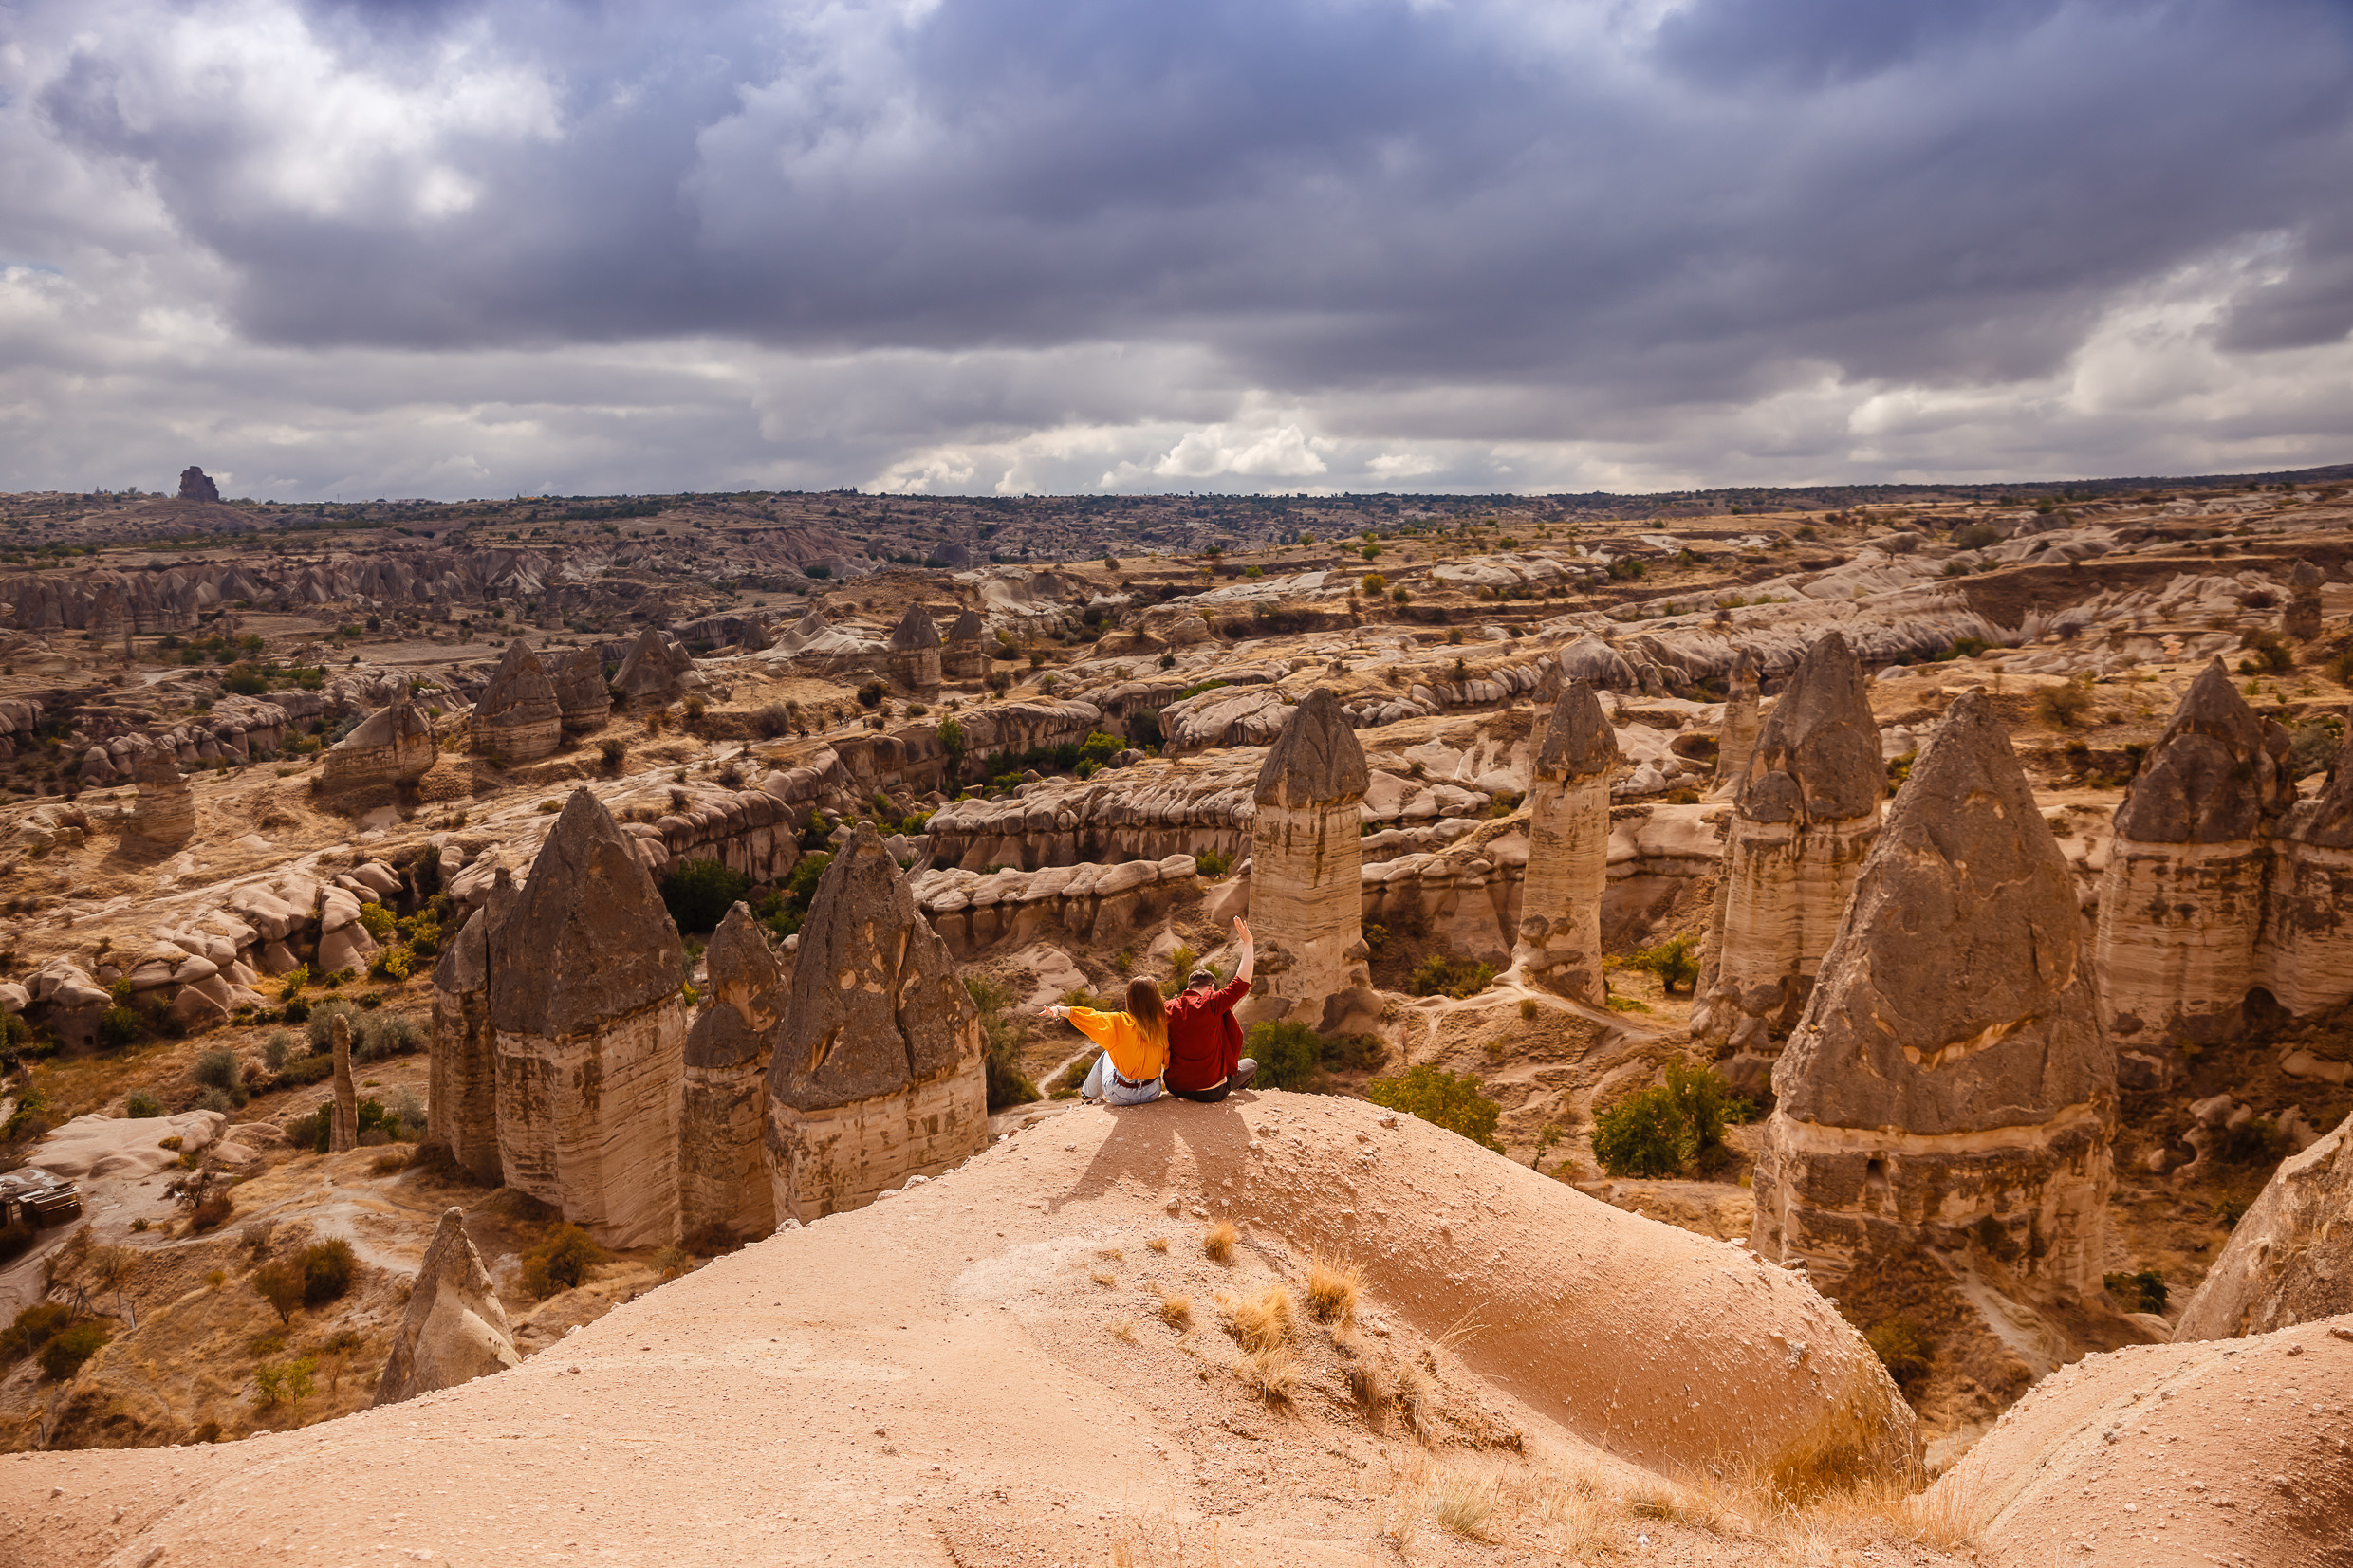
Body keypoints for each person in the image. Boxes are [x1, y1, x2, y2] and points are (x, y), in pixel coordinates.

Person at [1163, 917, 1257, 1102]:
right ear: (1211, 988)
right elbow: (1242, 983)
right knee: (1251, 1065)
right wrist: (1248, 943)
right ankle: (1234, 1088)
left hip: (1176, 1088)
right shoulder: (1211, 1003)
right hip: (1211, 1091)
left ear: (1189, 987)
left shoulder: (1167, 1007)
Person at [1039, 976, 1169, 1105]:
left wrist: (1059, 1010)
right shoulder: (1162, 1023)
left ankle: (1088, 1096)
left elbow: (1091, 1017)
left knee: (1107, 1054)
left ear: (1129, 999)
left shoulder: (1119, 1022)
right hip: (1152, 1092)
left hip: (1121, 1094)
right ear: (1156, 998)